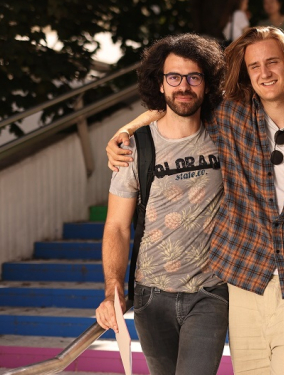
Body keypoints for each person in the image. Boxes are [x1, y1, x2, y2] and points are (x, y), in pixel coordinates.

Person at [106, 27, 284, 375]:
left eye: (273, 62)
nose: (264, 72)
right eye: (254, 65)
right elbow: (177, 107)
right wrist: (125, 130)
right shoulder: (217, 123)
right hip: (198, 285)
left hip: (258, 283)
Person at [95, 33, 228, 375]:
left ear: (207, 83)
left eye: (194, 77)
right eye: (174, 77)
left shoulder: (227, 135)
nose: (184, 86)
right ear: (160, 84)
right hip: (150, 297)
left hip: (209, 293)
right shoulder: (135, 148)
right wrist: (112, 288)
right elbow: (117, 226)